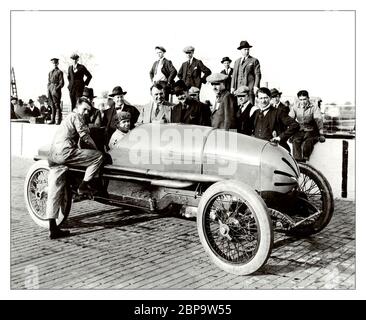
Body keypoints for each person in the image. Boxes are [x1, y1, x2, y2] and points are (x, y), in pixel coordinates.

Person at [46, 97, 104, 239]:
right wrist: (97, 149)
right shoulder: (76, 116)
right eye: (84, 109)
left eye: (88, 111)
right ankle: (84, 185)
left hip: (53, 155)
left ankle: (53, 228)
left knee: (54, 191)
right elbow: (84, 136)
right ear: (77, 107)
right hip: (65, 153)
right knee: (98, 157)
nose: (85, 112)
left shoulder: (66, 119)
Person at [289, 90, 326, 162]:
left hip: (311, 130)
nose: (303, 102)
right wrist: (289, 133)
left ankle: (305, 159)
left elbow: (319, 120)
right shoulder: (295, 107)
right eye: (301, 100)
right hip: (300, 129)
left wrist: (321, 134)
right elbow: (290, 120)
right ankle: (298, 162)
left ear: (308, 98)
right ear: (298, 99)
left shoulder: (314, 107)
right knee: (295, 141)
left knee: (308, 142)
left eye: (304, 99)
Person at [231, 40, 261, 105]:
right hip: (238, 90)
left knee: (249, 106)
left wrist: (256, 86)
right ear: (241, 50)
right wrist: (232, 87)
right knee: (239, 107)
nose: (247, 51)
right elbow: (234, 76)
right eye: (245, 49)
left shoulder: (254, 60)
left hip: (249, 89)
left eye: (248, 49)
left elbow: (257, 74)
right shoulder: (237, 61)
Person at [47, 58, 64, 124]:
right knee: (52, 105)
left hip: (56, 89)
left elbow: (62, 83)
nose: (54, 64)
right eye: (53, 63)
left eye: (55, 63)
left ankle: (58, 120)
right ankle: (53, 120)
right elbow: (48, 82)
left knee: (57, 105)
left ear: (57, 64)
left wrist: (56, 89)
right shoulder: (50, 72)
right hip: (50, 88)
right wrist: (48, 89)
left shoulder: (59, 72)